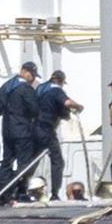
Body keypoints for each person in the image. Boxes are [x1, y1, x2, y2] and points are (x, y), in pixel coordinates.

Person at [33, 70, 84, 201]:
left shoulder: (40, 88)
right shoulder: (56, 90)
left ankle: (19, 188)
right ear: (59, 81)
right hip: (47, 129)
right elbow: (67, 103)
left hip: (34, 128)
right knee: (57, 161)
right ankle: (55, 193)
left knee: (31, 160)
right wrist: (78, 106)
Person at [0, 63, 41, 191]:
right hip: (22, 130)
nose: (33, 78)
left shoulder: (6, 86)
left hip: (7, 129)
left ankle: (1, 190)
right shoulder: (25, 88)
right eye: (32, 75)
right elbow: (34, 109)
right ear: (24, 71)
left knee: (6, 162)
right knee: (24, 163)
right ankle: (20, 191)